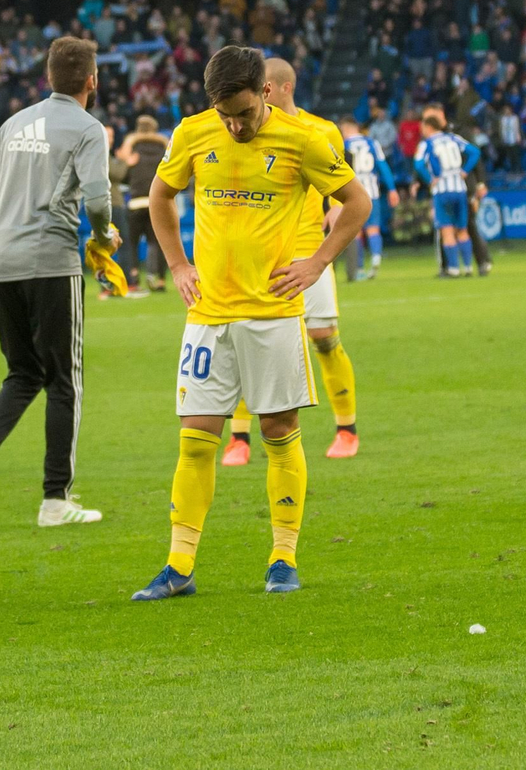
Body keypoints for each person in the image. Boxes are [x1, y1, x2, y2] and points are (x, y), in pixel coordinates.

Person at [132, 45, 369, 602]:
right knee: (195, 441)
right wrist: (178, 265)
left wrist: (317, 263)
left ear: (265, 93)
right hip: (208, 315)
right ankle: (178, 566)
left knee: (277, 434)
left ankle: (282, 558)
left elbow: (356, 202)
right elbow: (160, 196)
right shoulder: (193, 132)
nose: (234, 125)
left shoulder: (303, 140)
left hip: (273, 314)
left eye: (241, 112)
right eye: (224, 115)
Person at [0, 37, 119, 528]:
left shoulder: (14, 122)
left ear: (49, 78)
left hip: (1, 261)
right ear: (92, 80)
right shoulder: (88, 129)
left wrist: (11, 221)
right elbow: (96, 198)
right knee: (64, 380)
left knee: (23, 372)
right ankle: (55, 500)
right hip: (50, 260)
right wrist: (101, 236)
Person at [224, 58, 363, 465]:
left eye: (263, 86)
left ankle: (346, 429)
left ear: (283, 88)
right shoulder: (242, 131)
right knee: (248, 344)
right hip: (259, 256)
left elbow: (344, 191)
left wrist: (335, 217)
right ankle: (239, 438)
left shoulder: (321, 131)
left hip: (306, 251)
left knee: (324, 338)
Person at [414, 108, 481, 277]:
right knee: (463, 230)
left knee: (447, 230)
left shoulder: (427, 144)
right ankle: (468, 267)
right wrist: (465, 170)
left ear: (429, 127)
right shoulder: (453, 138)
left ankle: (453, 268)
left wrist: (430, 179)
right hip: (459, 188)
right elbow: (475, 152)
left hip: (442, 190)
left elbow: (418, 164)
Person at [116, 115, 170, 293]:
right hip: (157, 202)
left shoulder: (131, 145)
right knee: (159, 242)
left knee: (132, 243)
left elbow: (123, 175)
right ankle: (160, 279)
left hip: (136, 202)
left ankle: (133, 277)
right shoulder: (164, 146)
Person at [341, 115, 398, 280]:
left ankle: (358, 268)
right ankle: (376, 258)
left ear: (346, 129)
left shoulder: (344, 145)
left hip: (354, 194)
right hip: (372, 192)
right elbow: (383, 166)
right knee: (373, 228)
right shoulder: (372, 143)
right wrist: (392, 189)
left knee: (356, 232)